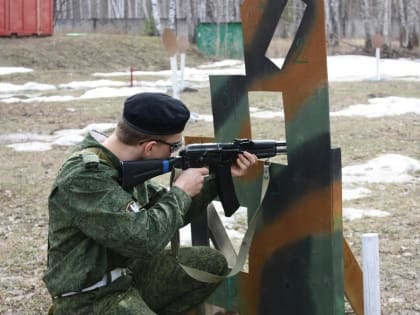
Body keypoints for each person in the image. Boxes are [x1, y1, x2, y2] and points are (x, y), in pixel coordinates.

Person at [43, 92, 257, 315]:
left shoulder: (122, 165)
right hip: (89, 299)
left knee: (209, 263)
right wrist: (180, 191)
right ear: (149, 147)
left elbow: (167, 214)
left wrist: (219, 177)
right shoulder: (85, 177)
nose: (174, 152)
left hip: (127, 275)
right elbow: (145, 239)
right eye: (174, 146)